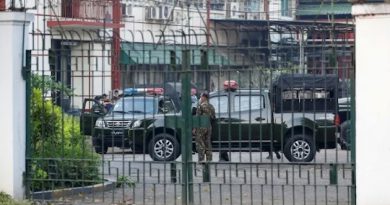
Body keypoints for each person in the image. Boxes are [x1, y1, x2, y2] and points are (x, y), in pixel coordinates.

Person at [194, 92, 215, 162]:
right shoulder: (211, 106)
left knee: (199, 142)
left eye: (201, 97)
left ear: (204, 97)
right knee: (208, 142)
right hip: (208, 126)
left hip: (201, 126)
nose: (200, 98)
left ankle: (201, 159)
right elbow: (213, 117)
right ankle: (209, 159)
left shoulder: (200, 106)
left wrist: (194, 128)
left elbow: (197, 118)